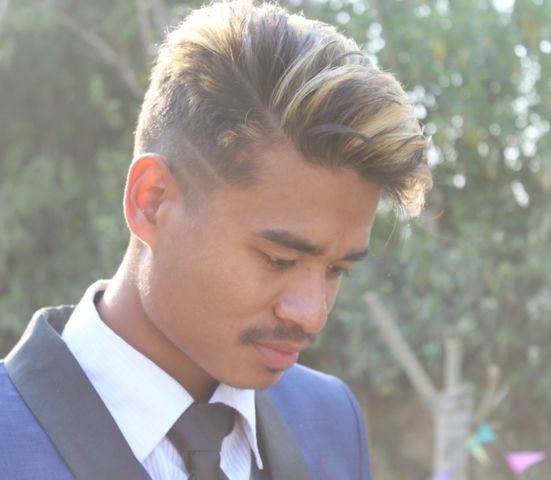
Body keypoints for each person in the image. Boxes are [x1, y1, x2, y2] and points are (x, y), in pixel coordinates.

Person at [0, 1, 432, 479]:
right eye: (278, 258)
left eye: (337, 270)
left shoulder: (331, 423)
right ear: (152, 201)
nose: (312, 313)